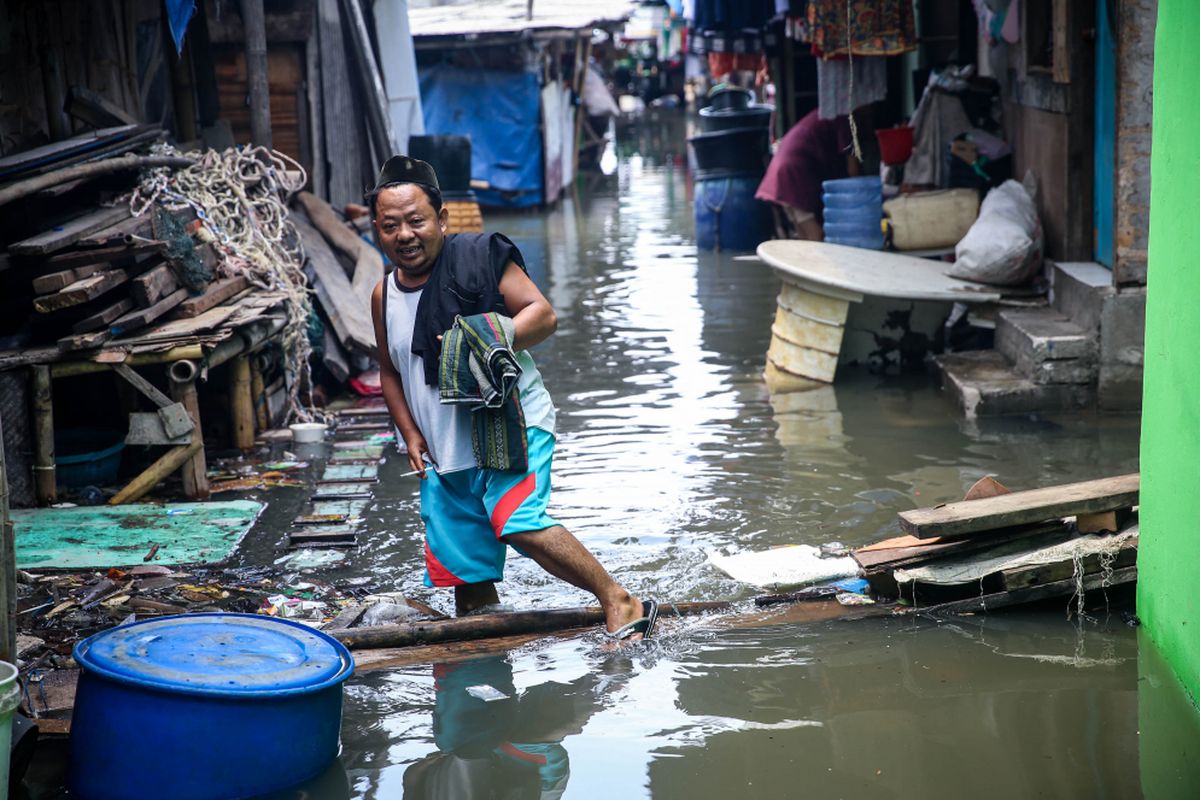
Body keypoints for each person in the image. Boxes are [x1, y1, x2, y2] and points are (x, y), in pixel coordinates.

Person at [368, 155, 657, 640]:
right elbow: (389, 369)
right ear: (377, 229)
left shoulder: (480, 258)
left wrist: (486, 337)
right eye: (390, 225)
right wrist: (411, 432)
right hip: (444, 451)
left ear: (441, 219)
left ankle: (620, 599)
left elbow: (542, 316)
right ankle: (486, 664)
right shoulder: (383, 295)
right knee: (466, 568)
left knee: (516, 521)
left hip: (509, 424)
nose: (405, 234)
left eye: (416, 220)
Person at [755, 108, 864, 240]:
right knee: (815, 236)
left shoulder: (825, 116)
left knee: (804, 237)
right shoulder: (845, 118)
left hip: (781, 172)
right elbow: (853, 172)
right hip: (793, 176)